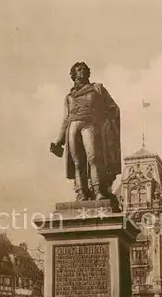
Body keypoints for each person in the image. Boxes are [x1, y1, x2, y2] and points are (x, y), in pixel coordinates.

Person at [51, 62, 121, 201]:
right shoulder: (69, 96)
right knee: (78, 162)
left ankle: (97, 190)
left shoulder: (97, 89)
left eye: (84, 69)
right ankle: (82, 192)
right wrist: (58, 141)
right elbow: (66, 119)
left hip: (90, 125)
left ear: (88, 73)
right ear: (73, 74)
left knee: (93, 158)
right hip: (72, 127)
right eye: (78, 70)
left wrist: (106, 123)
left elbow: (113, 107)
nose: (81, 71)